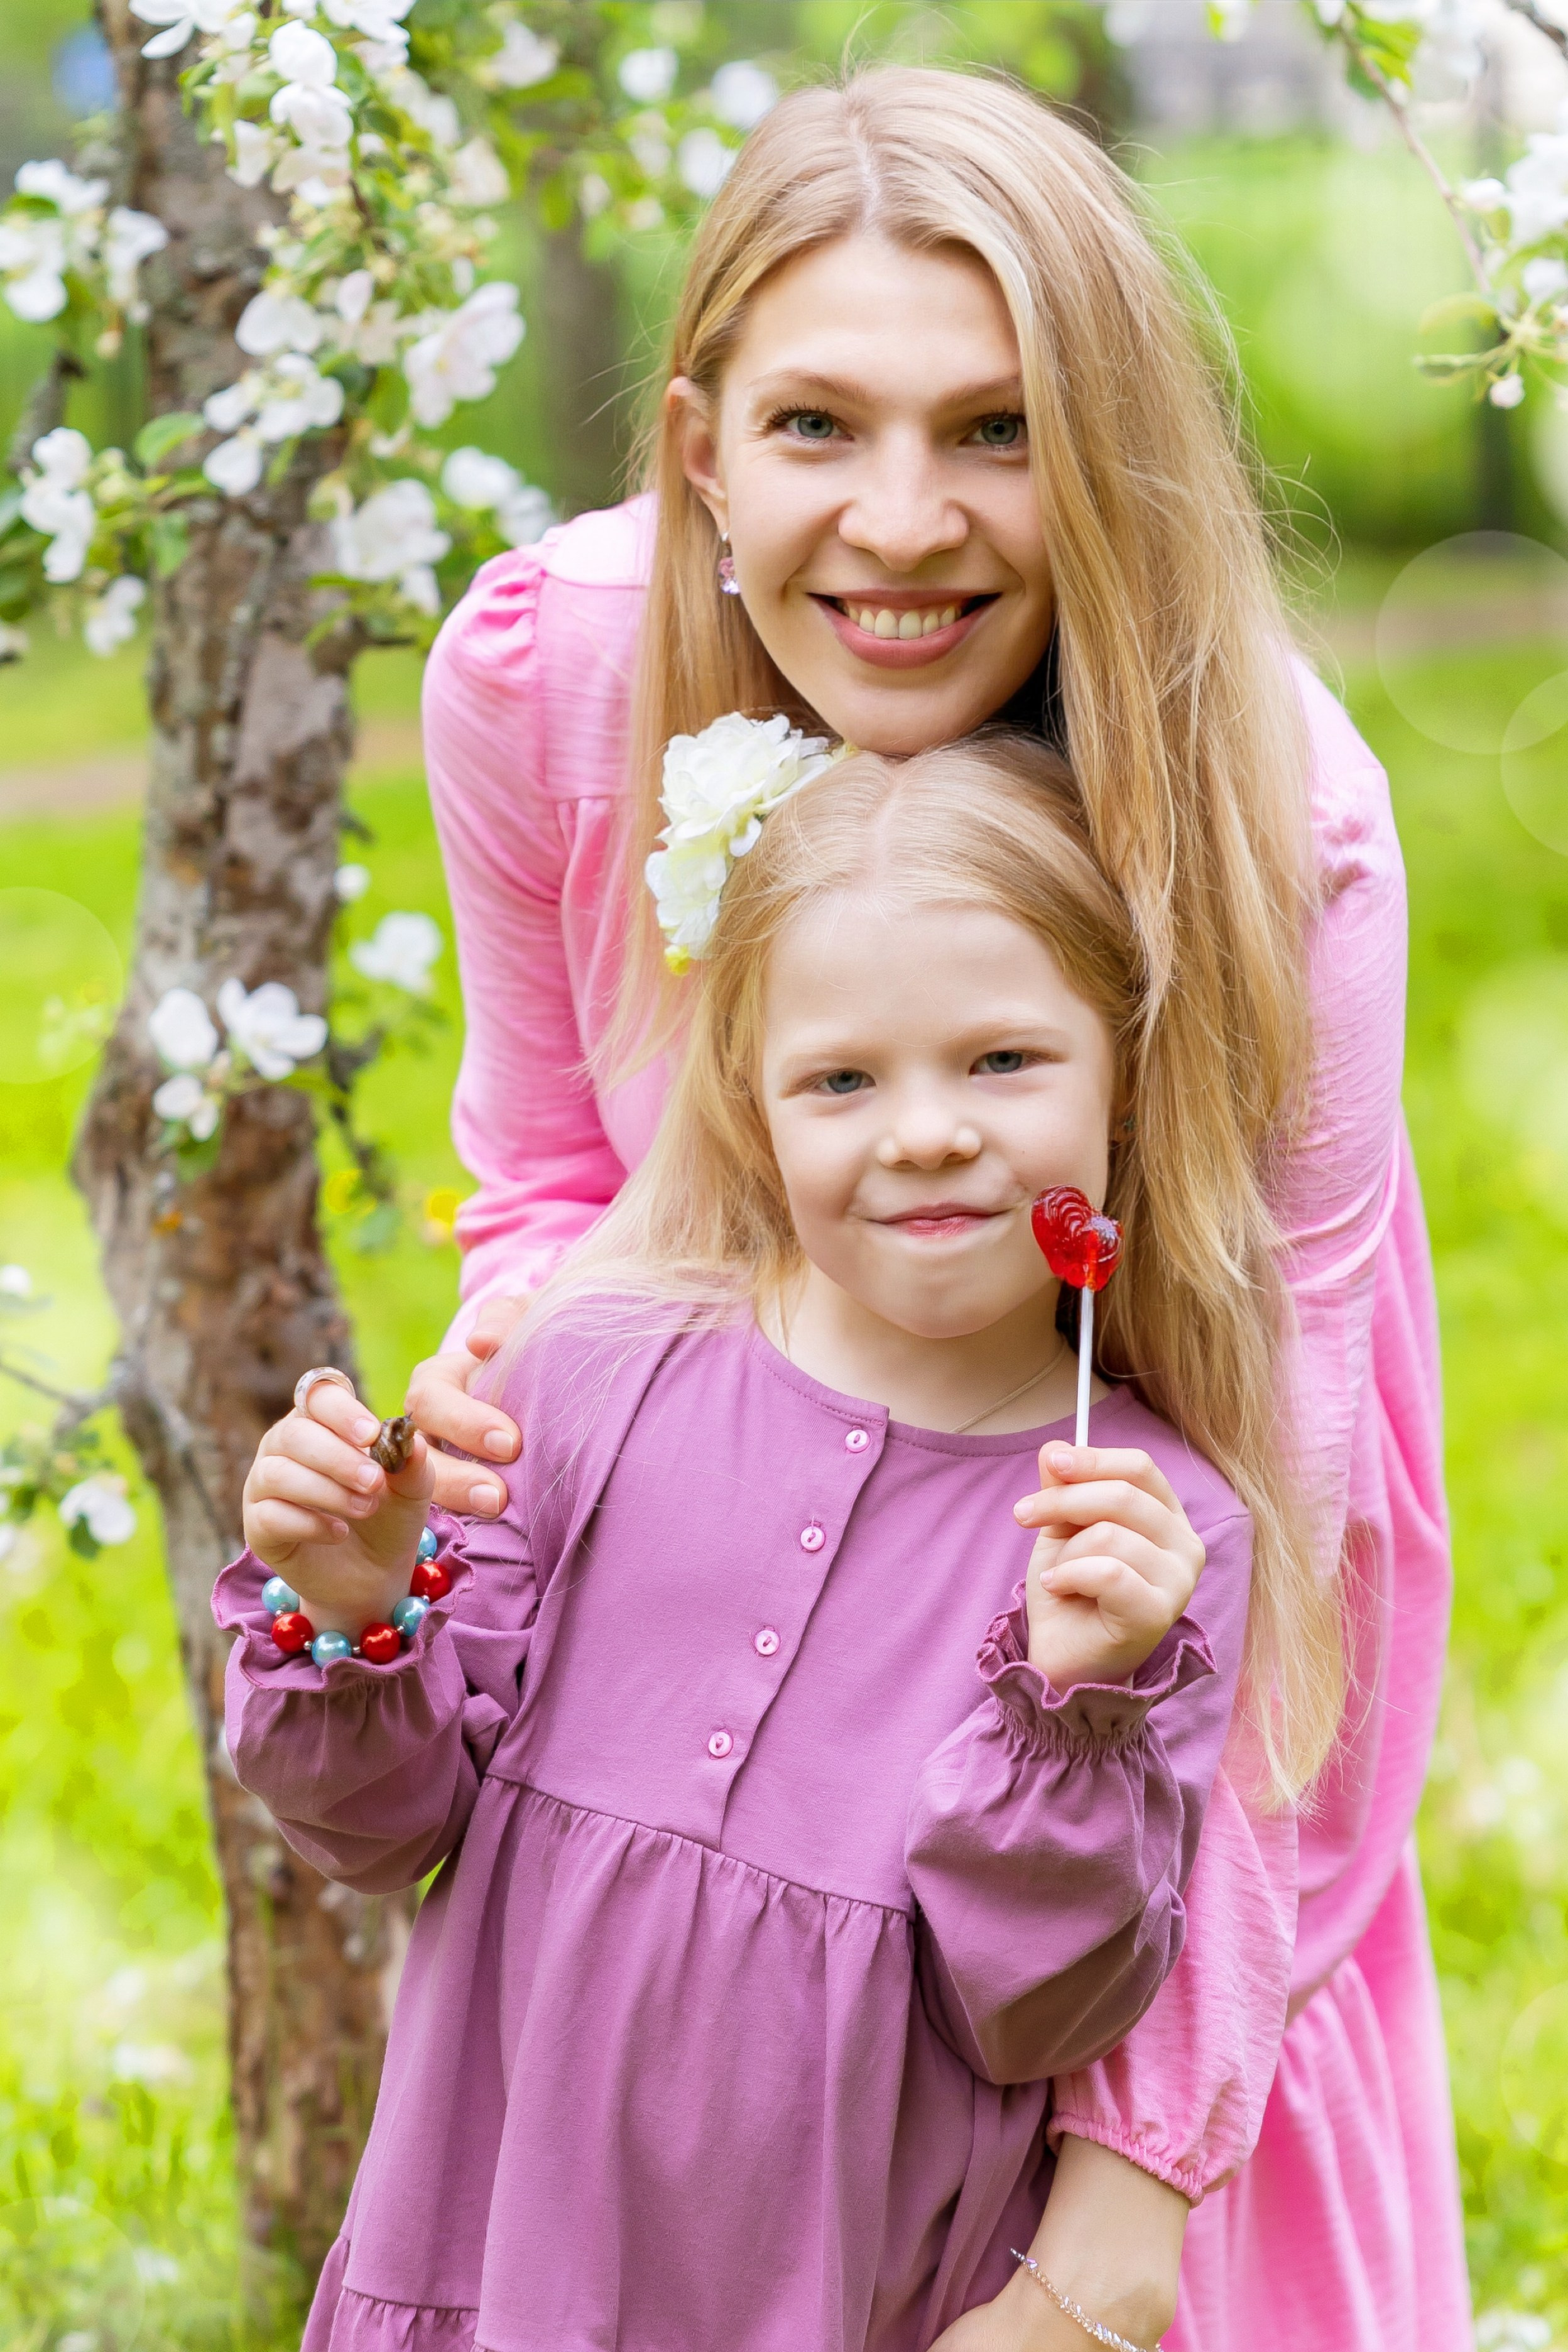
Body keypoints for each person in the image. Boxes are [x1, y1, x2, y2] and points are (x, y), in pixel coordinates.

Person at [405, 65, 1467, 2352]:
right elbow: (555, 1184)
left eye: (997, 430)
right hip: (724, 1593)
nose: (902, 526)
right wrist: (529, 1404)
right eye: (818, 430)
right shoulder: (546, 684)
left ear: (1110, 449)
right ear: (699, 448)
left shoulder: (1283, 824)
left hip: (1143, 1604)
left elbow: (1275, 1578)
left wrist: (1124, 2200)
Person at [228, 731, 1304, 2349]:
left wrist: (1074, 1715)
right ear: (753, 1101)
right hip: (490, 2258)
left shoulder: (1148, 1527)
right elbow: (373, 1834)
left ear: (1125, 1075)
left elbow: (1029, 2011)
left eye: (1006, 1062)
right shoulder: (590, 1365)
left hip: (827, 2296)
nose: (928, 1131)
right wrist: (353, 1603)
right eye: (843, 1079)